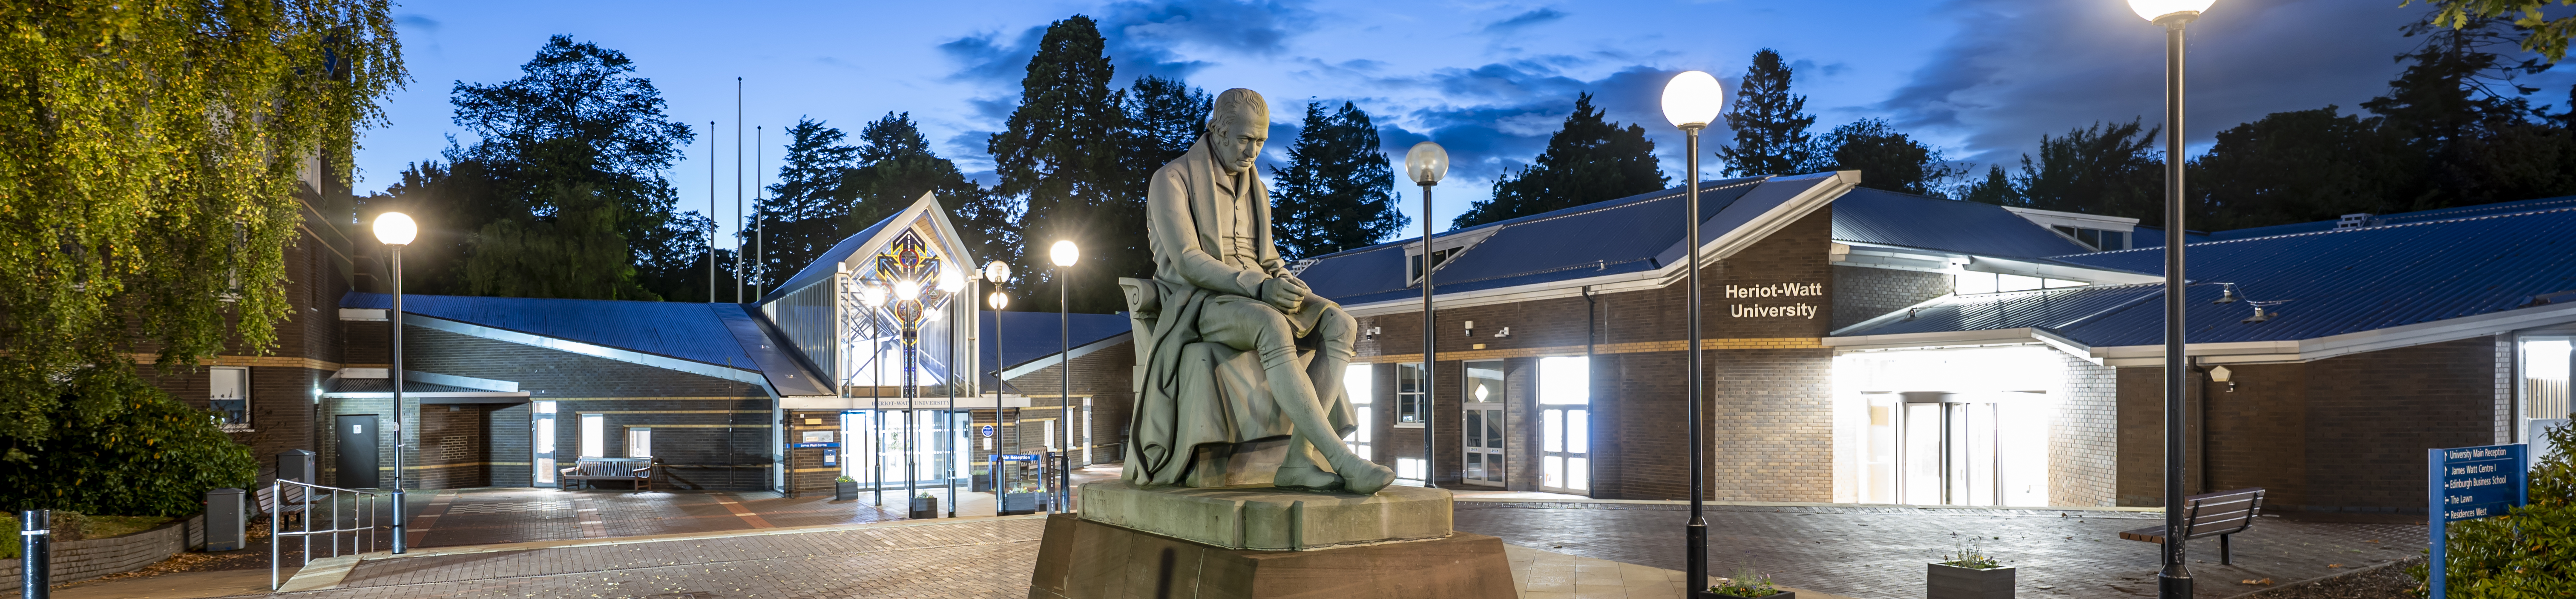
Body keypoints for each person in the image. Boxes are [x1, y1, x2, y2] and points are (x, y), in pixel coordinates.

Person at [1126, 88, 1396, 494]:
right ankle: (1341, 458)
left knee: (1341, 322)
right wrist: (1262, 287)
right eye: (1243, 139)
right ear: (1216, 130)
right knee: (1271, 323)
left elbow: (1267, 257)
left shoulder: (1257, 190)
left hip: (1258, 289)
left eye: (1261, 141)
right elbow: (1187, 260)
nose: (1252, 150)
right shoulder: (1172, 179)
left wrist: (1284, 279)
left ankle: (1299, 460)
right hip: (1198, 300)